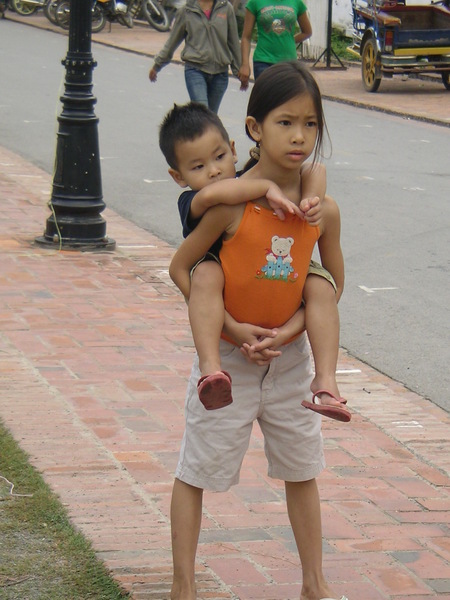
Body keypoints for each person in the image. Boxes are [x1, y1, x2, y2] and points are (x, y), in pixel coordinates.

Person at [167, 61, 350, 600]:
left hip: (291, 366)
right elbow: (183, 268)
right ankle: (184, 586)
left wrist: (293, 332)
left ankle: (314, 585)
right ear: (254, 129)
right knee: (197, 468)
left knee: (303, 468)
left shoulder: (321, 210)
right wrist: (234, 329)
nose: (299, 136)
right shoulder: (233, 202)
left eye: (311, 124)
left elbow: (331, 283)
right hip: (228, 362)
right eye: (285, 122)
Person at [160, 102, 349, 420]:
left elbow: (316, 169)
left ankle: (326, 380)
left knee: (322, 286)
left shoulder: (246, 181)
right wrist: (266, 187)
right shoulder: (198, 199)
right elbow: (216, 196)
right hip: (222, 282)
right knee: (206, 273)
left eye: (220, 157)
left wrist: (310, 200)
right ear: (178, 176)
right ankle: (211, 371)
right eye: (198, 167)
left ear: (233, 150)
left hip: (283, 310)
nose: (214, 171)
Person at [149, 0, 241, 114]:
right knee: (202, 113)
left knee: (211, 119)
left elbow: (234, 42)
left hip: (220, 74)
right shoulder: (186, 10)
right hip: (195, 70)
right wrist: (157, 65)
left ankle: (190, 131)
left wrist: (239, 70)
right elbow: (172, 42)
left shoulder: (226, 8)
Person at [238, 0, 312, 88]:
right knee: (267, 99)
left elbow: (307, 32)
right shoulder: (255, 2)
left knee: (287, 100)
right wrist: (245, 64)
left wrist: (288, 41)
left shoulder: (297, 2)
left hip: (289, 64)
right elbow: (246, 37)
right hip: (264, 61)